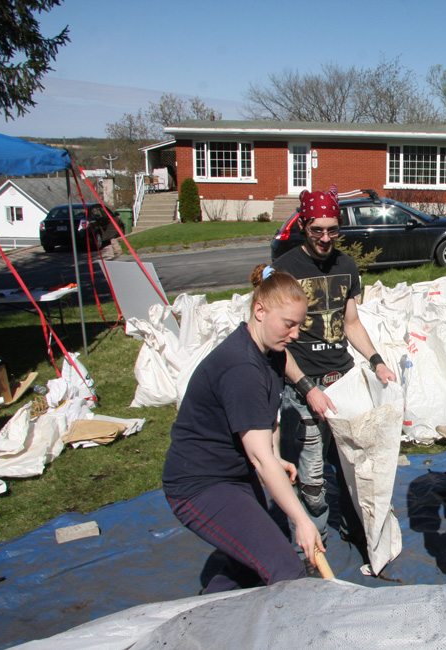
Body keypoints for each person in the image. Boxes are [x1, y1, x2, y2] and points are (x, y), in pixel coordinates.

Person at [162, 265, 323, 593]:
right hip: (199, 484)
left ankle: (206, 615)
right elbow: (259, 458)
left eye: (298, 325)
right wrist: (302, 521)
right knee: (286, 567)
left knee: (249, 563)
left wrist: (276, 456)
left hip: (234, 474)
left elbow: (267, 420)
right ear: (259, 311)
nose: (294, 334)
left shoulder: (270, 352)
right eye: (288, 324)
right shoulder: (242, 368)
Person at [273, 186, 396, 553]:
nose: (325, 238)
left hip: (341, 382)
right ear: (303, 226)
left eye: (332, 230)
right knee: (311, 473)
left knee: (349, 463)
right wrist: (306, 387)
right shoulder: (285, 269)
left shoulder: (346, 266)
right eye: (317, 231)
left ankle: (353, 527)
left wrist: (377, 361)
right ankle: (313, 542)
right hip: (302, 388)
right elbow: (277, 341)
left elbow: (352, 323)